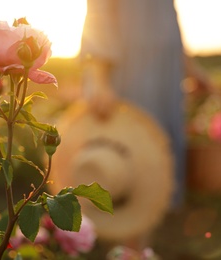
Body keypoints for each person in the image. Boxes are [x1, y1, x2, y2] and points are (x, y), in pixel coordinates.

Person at [80, 0, 187, 209]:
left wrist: (189, 67)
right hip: (129, 70)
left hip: (163, 74)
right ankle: (128, 238)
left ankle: (141, 237)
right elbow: (98, 13)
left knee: (157, 160)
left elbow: (170, 21)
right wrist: (98, 79)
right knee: (129, 159)